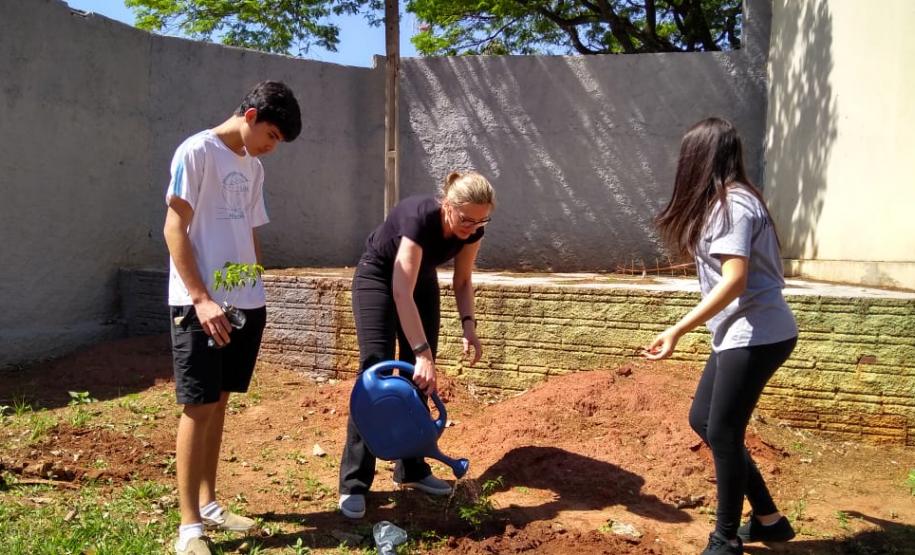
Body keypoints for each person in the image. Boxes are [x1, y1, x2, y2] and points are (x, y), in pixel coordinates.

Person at [643, 118, 798, 555]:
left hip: (757, 332)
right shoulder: (728, 202)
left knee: (725, 432)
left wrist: (676, 329)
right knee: (704, 421)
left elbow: (734, 279)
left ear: (697, 159)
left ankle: (725, 538)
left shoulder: (733, 206)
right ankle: (769, 520)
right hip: (741, 332)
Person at [163, 81, 301, 555]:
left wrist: (256, 287)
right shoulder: (196, 152)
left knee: (220, 402)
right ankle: (189, 529)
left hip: (245, 304)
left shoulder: (254, 167)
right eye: (272, 135)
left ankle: (210, 503)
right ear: (249, 114)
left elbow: (248, 232)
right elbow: (173, 227)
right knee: (197, 405)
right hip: (201, 304)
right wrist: (201, 298)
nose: (272, 146)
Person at [337, 171, 495, 519]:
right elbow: (399, 291)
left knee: (419, 379)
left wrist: (469, 327)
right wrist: (422, 352)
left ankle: (411, 468)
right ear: (447, 205)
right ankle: (354, 483)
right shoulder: (417, 216)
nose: (473, 227)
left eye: (482, 220)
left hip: (421, 284)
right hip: (378, 278)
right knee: (374, 374)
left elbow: (463, 279)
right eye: (466, 219)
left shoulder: (473, 228)